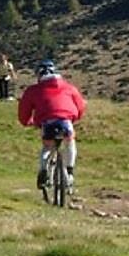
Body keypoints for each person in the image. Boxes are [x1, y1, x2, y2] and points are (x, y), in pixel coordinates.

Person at [18, 59, 86, 191]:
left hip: (47, 123)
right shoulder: (69, 87)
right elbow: (80, 106)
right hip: (66, 122)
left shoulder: (33, 90)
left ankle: (43, 169)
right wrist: (76, 117)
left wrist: (27, 122)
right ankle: (70, 171)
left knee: (47, 148)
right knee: (69, 143)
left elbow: (24, 111)